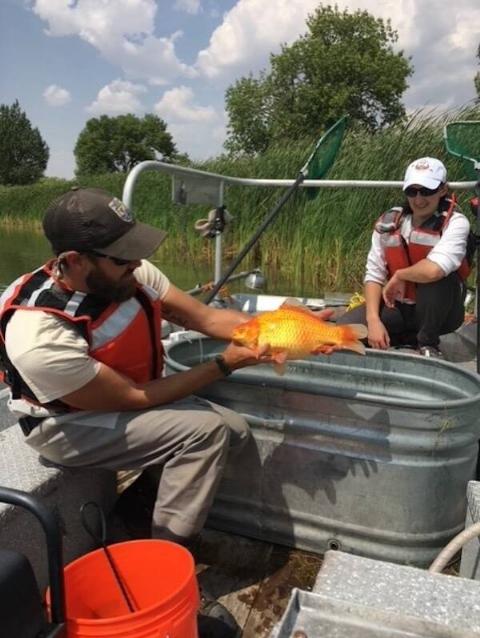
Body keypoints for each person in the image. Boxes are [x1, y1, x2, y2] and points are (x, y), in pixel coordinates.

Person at [0, 187, 299, 637]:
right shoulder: (38, 333)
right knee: (205, 434)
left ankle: (133, 517)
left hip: (129, 394)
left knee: (233, 430)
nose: (136, 265)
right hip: (64, 425)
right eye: (122, 259)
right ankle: (162, 567)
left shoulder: (129, 274)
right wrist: (224, 364)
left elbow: (207, 319)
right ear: (73, 261)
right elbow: (135, 400)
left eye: (135, 253)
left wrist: (293, 329)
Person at [337, 157, 472, 358]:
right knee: (344, 329)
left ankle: (428, 343)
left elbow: (435, 269)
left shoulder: (456, 223)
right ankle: (404, 337)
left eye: (427, 191)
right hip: (400, 308)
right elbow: (373, 274)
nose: (419, 200)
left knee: (437, 279)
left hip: (441, 312)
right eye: (412, 191)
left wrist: (400, 275)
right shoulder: (388, 224)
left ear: (443, 190)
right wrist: (373, 320)